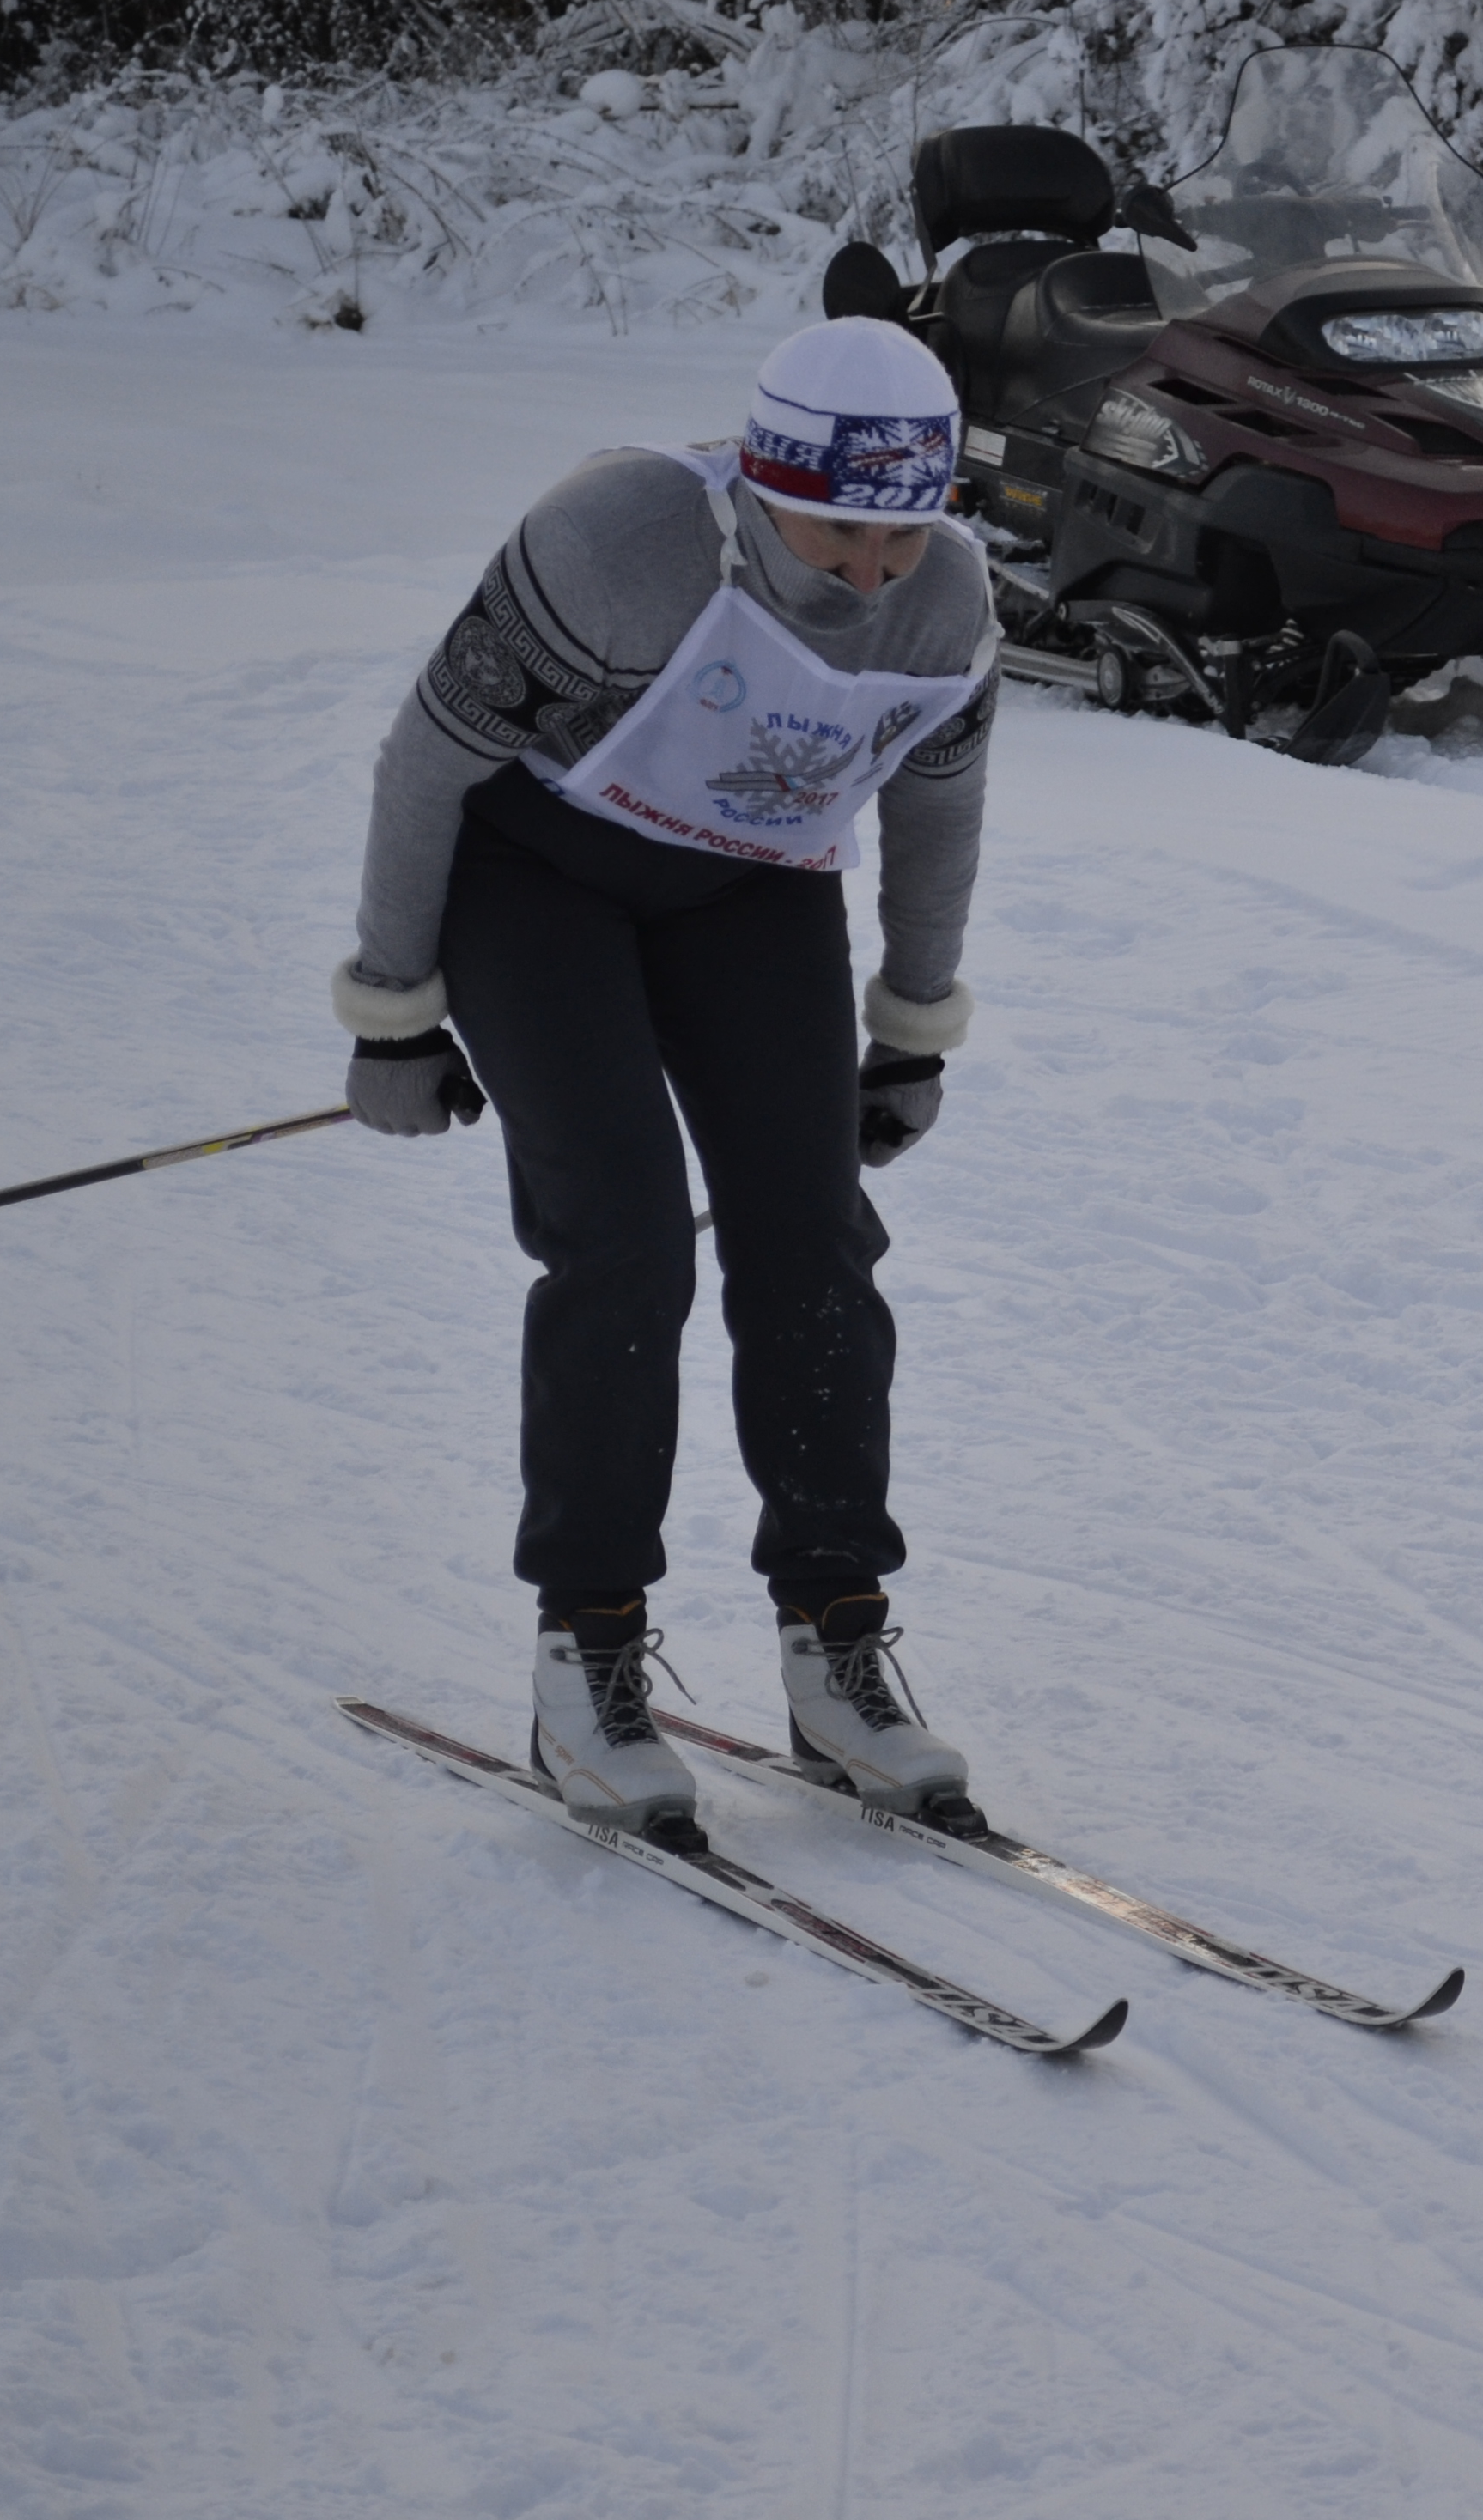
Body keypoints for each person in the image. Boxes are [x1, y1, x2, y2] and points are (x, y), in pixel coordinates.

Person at [330, 318, 998, 1849]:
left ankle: (838, 1641)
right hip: (538, 875)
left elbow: (940, 817)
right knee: (624, 1234)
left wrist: (907, 1028)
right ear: (767, 480)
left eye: (909, 530)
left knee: (811, 1235)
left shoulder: (946, 602)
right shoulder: (617, 543)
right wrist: (393, 1011)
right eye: (845, 528)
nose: (878, 570)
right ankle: (590, 1657)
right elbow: (427, 765)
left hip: (753, 887)